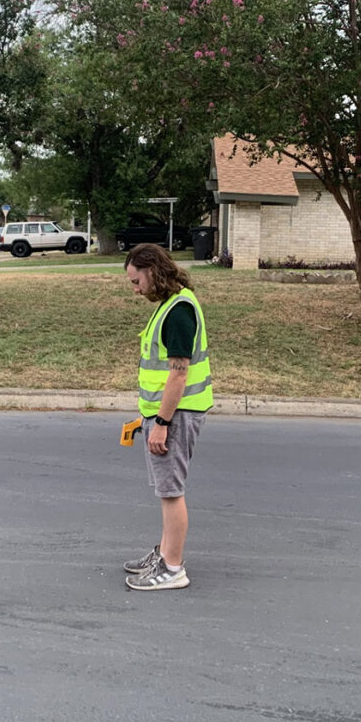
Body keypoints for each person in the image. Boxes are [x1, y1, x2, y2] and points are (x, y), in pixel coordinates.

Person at [122, 243, 212, 591]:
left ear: (153, 272)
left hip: (174, 416)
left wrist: (161, 423)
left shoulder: (178, 311)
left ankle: (173, 568)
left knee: (171, 492)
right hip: (167, 414)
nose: (135, 289)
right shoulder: (172, 304)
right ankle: (165, 553)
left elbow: (178, 374)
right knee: (166, 490)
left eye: (136, 281)